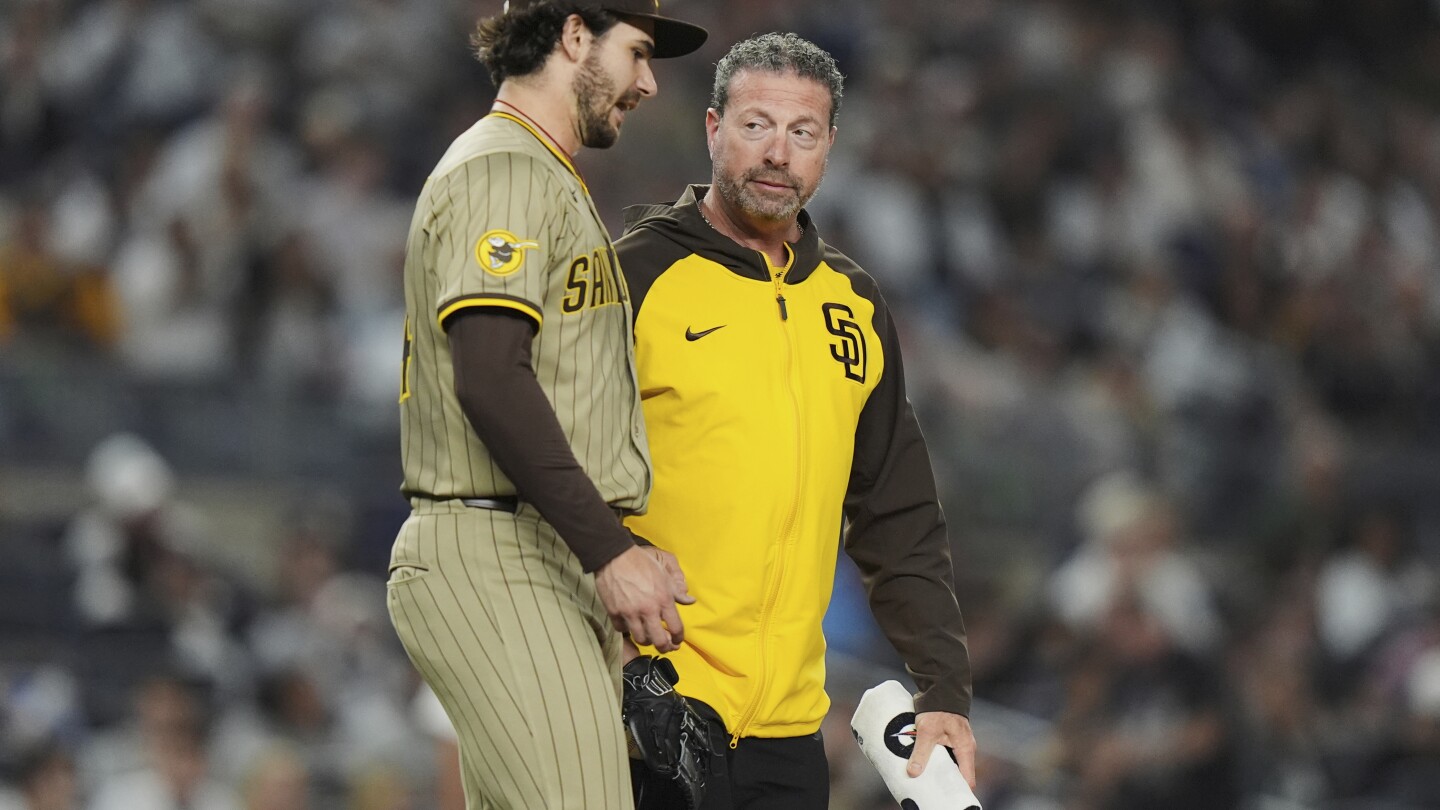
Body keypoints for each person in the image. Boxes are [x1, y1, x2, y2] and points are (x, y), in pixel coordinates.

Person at [615, 33, 977, 809]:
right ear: (713, 130)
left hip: (788, 739)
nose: (778, 153)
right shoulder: (635, 275)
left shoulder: (854, 304)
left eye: (802, 133)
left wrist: (942, 687)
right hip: (644, 713)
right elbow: (557, 466)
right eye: (756, 126)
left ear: (829, 148)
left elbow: (897, 509)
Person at [384, 3, 706, 809]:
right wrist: (611, 552)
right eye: (636, 52)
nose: (648, 81)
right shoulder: (505, 169)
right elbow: (490, 378)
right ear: (572, 37)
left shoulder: (541, 173)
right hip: (495, 548)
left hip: (537, 551)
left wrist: (612, 540)